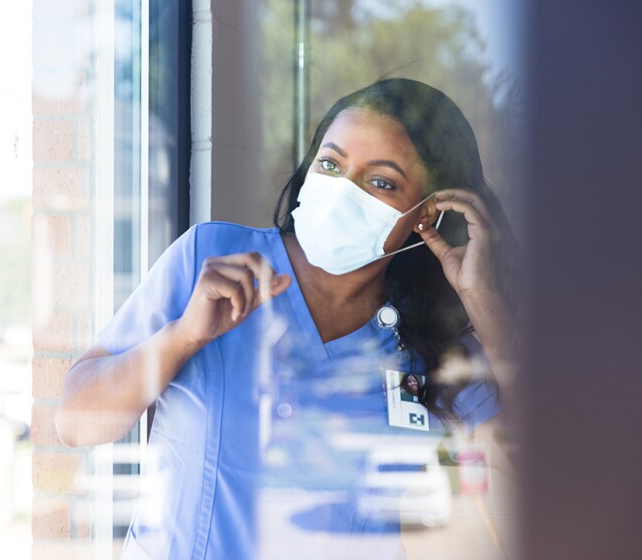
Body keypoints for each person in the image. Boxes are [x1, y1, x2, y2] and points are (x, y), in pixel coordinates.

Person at [56, 78, 518, 559]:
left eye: (380, 182)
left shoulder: (437, 340)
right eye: (331, 164)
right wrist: (183, 338)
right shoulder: (211, 258)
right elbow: (76, 424)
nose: (343, 191)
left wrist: (482, 301)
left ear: (428, 215)